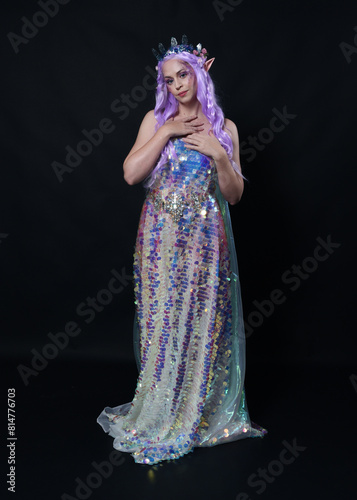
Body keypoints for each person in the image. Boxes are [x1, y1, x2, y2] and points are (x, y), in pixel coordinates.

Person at [97, 35, 267, 465]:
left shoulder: (224, 128)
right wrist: (169, 129)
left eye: (184, 74)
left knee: (203, 323)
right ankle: (162, 409)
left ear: (200, 73)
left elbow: (234, 196)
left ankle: (198, 411)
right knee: (163, 322)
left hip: (206, 242)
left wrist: (220, 155)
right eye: (169, 80)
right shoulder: (155, 120)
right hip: (160, 240)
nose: (178, 85)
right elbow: (131, 174)